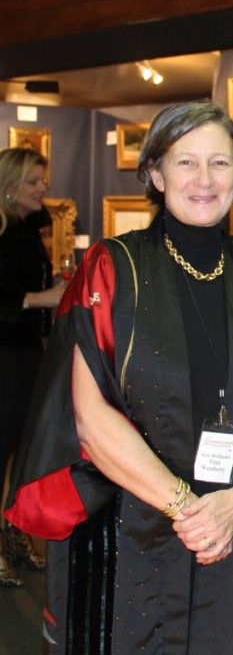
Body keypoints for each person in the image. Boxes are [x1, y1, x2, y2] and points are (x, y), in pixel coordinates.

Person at [5, 101, 233, 652]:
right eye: (185, 162)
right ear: (155, 173)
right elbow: (89, 418)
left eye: (220, 163)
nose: (204, 179)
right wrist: (191, 511)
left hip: (229, 532)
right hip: (124, 536)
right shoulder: (112, 268)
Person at [0, 147, 65, 587]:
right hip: (4, 357)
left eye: (43, 179)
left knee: (21, 456)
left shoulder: (27, 230)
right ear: (9, 185)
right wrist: (40, 299)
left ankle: (12, 539)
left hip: (26, 354)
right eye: (33, 181)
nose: (43, 187)